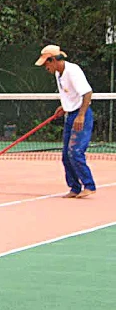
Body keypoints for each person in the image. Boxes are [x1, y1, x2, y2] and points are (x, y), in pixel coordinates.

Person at [35, 44, 97, 198]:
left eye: (46, 63)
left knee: (75, 152)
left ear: (54, 60)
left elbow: (87, 93)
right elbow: (70, 94)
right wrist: (64, 107)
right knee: (65, 155)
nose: (45, 67)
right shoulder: (58, 73)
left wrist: (81, 115)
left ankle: (89, 185)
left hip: (81, 115)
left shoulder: (73, 71)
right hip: (70, 115)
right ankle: (75, 187)